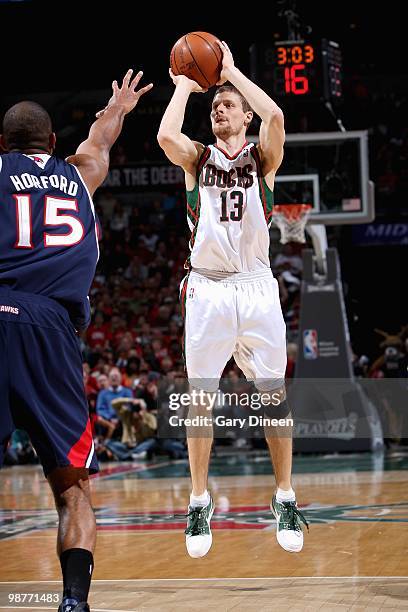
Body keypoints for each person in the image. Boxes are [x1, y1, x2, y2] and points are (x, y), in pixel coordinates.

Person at [0, 69, 152, 612]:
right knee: (72, 488)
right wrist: (119, 107)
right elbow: (102, 137)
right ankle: (72, 602)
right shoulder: (79, 173)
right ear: (54, 144)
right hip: (50, 330)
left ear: (2, 145)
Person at [157, 41, 307, 558]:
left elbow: (277, 114)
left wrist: (233, 74)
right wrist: (183, 86)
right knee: (200, 401)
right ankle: (199, 501)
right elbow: (164, 135)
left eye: (227, 105)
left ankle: (284, 496)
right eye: (214, 106)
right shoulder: (197, 159)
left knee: (273, 399)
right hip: (208, 288)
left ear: (243, 113)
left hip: (257, 285)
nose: (219, 109)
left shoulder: (264, 159)